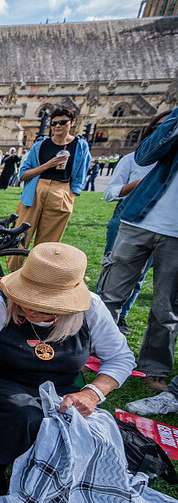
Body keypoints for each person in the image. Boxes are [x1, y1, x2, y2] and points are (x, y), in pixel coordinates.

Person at [0, 243, 134, 503]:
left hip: (60, 384)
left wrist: (91, 393)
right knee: (24, 413)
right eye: (26, 300)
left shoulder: (91, 309)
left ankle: (56, 477)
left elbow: (121, 358)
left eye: (44, 307)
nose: (30, 309)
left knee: (91, 428)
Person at [99, 105, 178, 401]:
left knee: (166, 307)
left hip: (176, 234)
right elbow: (145, 155)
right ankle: (96, 351)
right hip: (138, 219)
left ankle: (155, 369)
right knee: (110, 294)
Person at [96, 112, 170, 336]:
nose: (165, 132)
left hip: (166, 226)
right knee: (113, 275)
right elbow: (109, 193)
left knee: (139, 278)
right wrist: (136, 185)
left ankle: (121, 318)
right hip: (129, 219)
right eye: (158, 127)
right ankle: (99, 321)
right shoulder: (133, 159)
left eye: (169, 127)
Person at [7, 107, 91, 271]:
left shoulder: (80, 146)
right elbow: (23, 174)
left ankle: (37, 277)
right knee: (21, 237)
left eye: (62, 122)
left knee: (48, 244)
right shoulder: (41, 145)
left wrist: (71, 194)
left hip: (61, 191)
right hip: (35, 191)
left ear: (72, 122)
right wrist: (48, 165)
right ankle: (12, 275)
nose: (57, 126)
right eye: (54, 123)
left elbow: (81, 173)